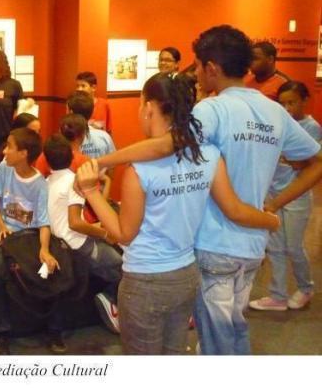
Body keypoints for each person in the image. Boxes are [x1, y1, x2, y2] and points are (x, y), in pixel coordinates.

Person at [87, 25, 322, 355]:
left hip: (214, 244)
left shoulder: (211, 109)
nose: (195, 74)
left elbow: (166, 145)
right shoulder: (275, 112)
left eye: (197, 66)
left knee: (216, 342)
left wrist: (102, 162)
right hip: (253, 246)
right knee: (234, 330)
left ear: (211, 68)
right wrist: (273, 206)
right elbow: (316, 162)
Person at [76, 72, 280, 354]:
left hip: (145, 281)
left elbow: (123, 234)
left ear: (149, 107)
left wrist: (91, 192)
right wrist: (270, 220)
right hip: (185, 275)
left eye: (140, 104)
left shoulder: (139, 171)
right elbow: (234, 208)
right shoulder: (209, 155)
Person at [0, 128, 61, 355]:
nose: (4, 151)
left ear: (23, 153)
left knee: (51, 269)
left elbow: (43, 222)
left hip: (29, 235)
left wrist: (45, 250)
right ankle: (1, 333)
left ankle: (54, 329)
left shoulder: (40, 184)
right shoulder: (4, 168)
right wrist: (2, 227)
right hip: (4, 233)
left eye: (9, 147)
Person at [250, 81, 321, 311]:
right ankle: (278, 295)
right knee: (275, 247)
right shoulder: (279, 124)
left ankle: (306, 288)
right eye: (283, 103)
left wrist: (289, 157)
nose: (287, 108)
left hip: (296, 196)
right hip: (273, 194)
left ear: (304, 101)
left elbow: (304, 163)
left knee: (294, 247)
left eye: (292, 102)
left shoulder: (311, 127)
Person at [44, 134, 122, 334]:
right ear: (72, 156)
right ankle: (110, 300)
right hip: (78, 245)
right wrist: (104, 234)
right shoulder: (74, 181)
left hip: (58, 242)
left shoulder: (46, 182)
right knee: (125, 267)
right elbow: (75, 223)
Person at [66, 91, 116, 160]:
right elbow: (113, 161)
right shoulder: (105, 136)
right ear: (92, 112)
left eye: (66, 109)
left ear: (70, 112)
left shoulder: (65, 138)